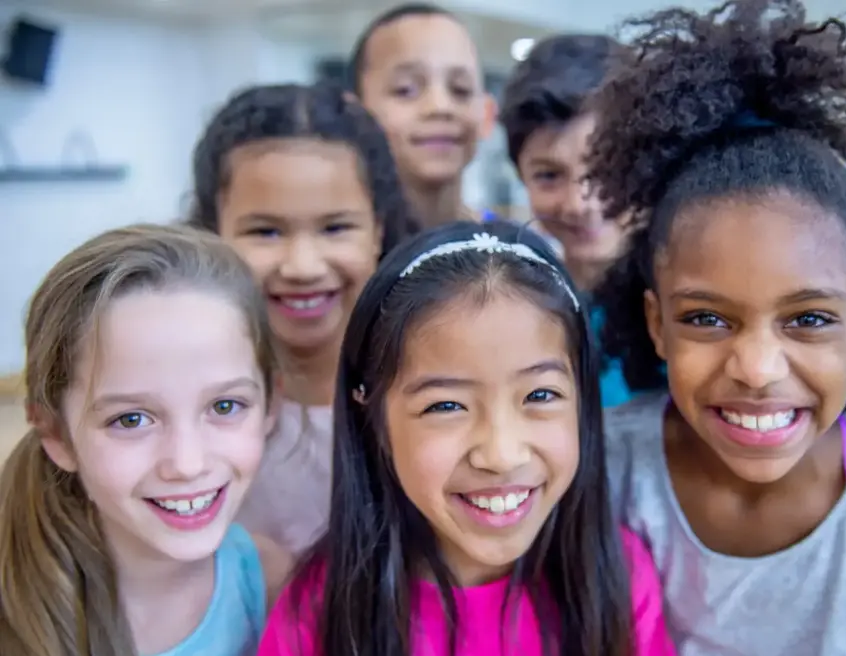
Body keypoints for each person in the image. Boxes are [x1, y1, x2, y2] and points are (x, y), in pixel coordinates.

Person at [586, 2, 846, 656]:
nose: (759, 369)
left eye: (808, 318)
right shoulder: (596, 474)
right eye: (707, 318)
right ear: (656, 323)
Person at [251, 222, 680, 656]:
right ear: (371, 416)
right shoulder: (318, 614)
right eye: (446, 406)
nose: (501, 454)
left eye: (539, 396)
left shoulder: (618, 576)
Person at [0, 225, 290, 656]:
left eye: (225, 406)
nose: (188, 463)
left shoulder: (272, 586)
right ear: (56, 435)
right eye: (131, 419)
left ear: (270, 406)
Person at [191, 82, 414, 554]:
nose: (303, 266)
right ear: (214, 232)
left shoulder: (423, 390)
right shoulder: (187, 409)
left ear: (377, 229)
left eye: (336, 228)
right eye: (265, 231)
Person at [500, 33, 635, 407]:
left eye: (605, 169)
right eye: (548, 175)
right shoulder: (522, 309)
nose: (579, 203)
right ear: (521, 175)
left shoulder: (688, 307)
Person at [347, 3, 496, 229]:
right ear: (355, 112)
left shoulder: (511, 253)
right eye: (405, 89)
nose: (440, 107)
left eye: (460, 89)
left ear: (487, 114)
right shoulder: (338, 257)